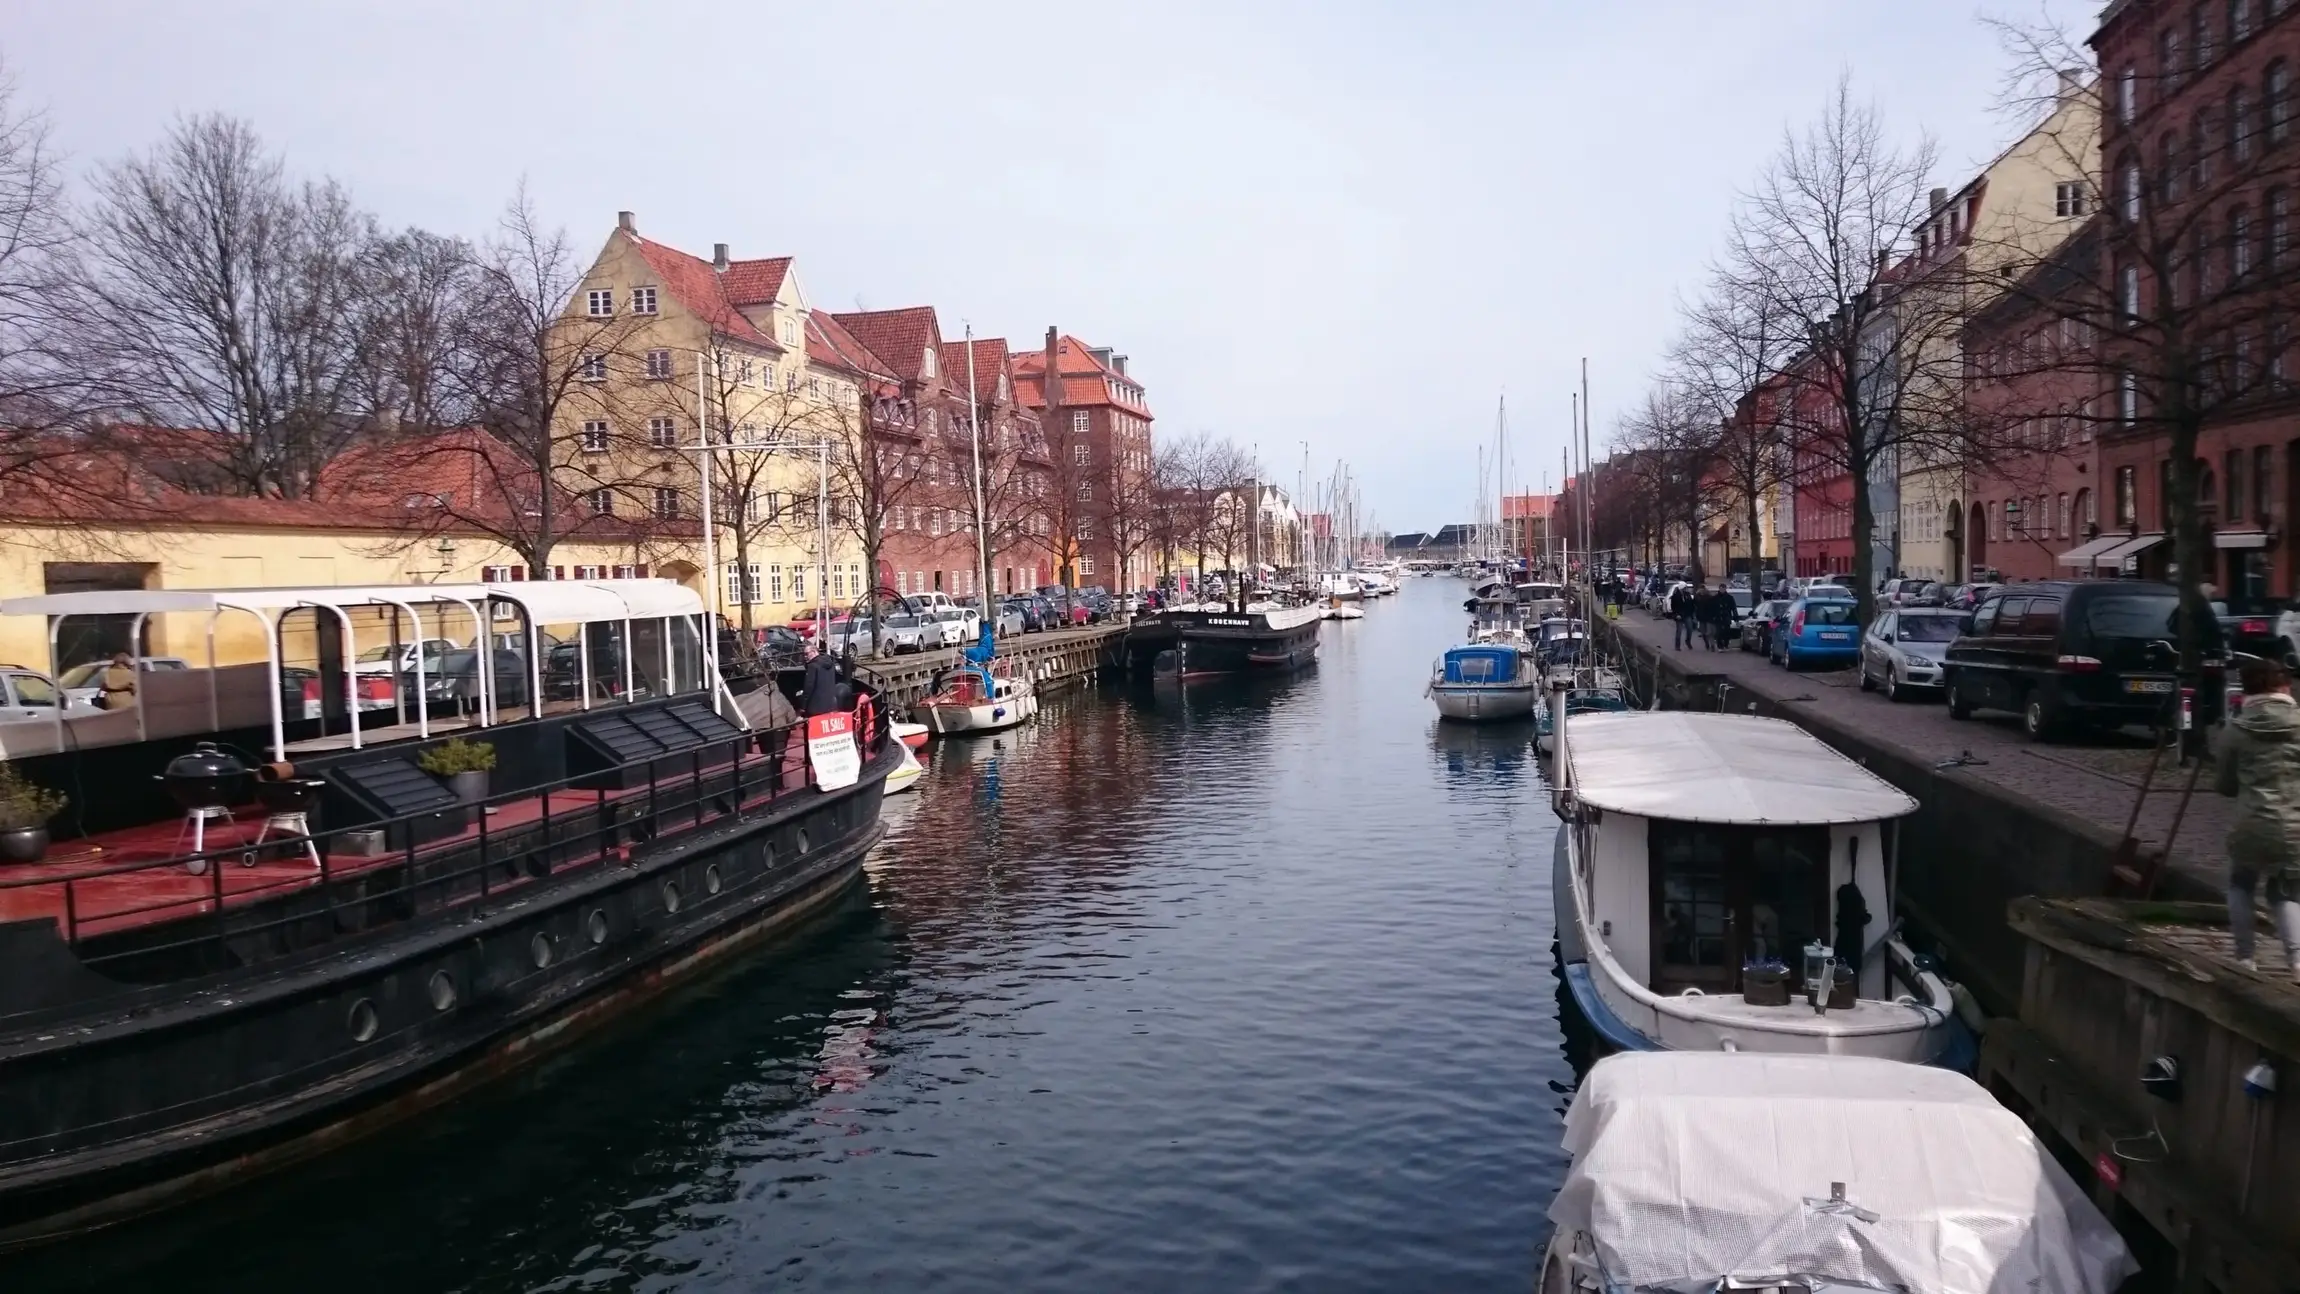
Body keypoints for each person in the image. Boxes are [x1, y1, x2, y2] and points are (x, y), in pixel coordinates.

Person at [2214, 659, 2300, 978]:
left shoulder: (2236, 730)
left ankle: (2246, 958)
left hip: (2250, 821)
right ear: (2284, 688)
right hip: (2294, 825)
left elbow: (2224, 785)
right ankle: (2296, 961)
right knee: (2287, 892)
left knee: (2241, 885)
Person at [800, 639, 842, 718]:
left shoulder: (812, 666)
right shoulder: (830, 663)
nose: (805, 657)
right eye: (804, 655)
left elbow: (808, 687)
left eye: (806, 654)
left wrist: (803, 706)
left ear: (814, 652)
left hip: (816, 708)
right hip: (831, 705)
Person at [1671, 582, 1699, 650]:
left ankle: (1688, 641)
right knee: (1679, 631)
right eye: (1685, 588)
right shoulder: (1675, 596)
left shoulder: (1687, 595)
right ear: (1681, 588)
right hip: (1679, 615)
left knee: (1690, 629)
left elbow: (1691, 604)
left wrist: (1692, 612)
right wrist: (1676, 614)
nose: (1686, 589)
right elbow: (1673, 607)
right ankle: (1677, 645)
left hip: (1687, 614)